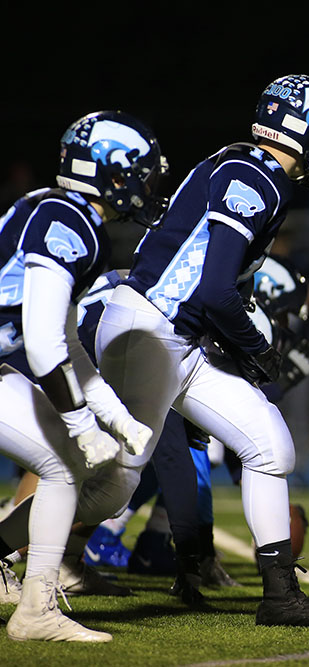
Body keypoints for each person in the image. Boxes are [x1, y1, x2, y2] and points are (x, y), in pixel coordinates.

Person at [84, 74, 309, 629]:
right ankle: (12, 549)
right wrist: (258, 350)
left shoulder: (246, 166)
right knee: (114, 486)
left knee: (269, 444)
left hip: (171, 340)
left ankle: (279, 595)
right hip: (150, 333)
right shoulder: (256, 175)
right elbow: (214, 289)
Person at [0, 110, 167, 641]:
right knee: (66, 464)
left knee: (64, 468)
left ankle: (35, 608)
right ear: (112, 173)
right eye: (139, 171)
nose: (146, 183)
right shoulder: (68, 221)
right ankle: (35, 612)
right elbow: (45, 344)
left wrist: (116, 418)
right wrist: (80, 424)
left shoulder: (63, 212)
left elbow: (67, 343)